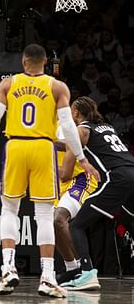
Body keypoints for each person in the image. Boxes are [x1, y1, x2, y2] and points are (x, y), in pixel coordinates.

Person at [0, 44, 99, 297]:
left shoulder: (8, 84)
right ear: (44, 62)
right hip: (43, 147)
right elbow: (68, 126)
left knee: (9, 209)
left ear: (23, 61)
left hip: (16, 145)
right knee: (43, 215)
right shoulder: (57, 87)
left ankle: (8, 269)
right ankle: (48, 277)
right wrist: (82, 159)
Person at [61, 96, 134, 290]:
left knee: (77, 225)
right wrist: (50, 143)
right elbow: (74, 145)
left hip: (116, 178)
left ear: (76, 113)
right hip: (131, 173)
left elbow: (65, 175)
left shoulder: (80, 130)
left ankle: (86, 273)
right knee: (129, 223)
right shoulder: (107, 128)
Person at [53, 129, 99, 285]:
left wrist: (45, 141)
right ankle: (72, 269)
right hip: (57, 183)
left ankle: (85, 269)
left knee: (59, 218)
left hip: (78, 179)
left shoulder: (67, 123)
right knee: (52, 224)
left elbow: (71, 147)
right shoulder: (42, 122)